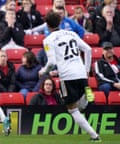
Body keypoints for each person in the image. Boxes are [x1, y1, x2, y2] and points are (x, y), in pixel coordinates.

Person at [39, 10, 101, 142]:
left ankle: (94, 136)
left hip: (67, 76)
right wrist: (86, 70)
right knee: (79, 105)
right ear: (60, 22)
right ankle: (85, 96)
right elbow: (88, 49)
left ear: (47, 25)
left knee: (72, 109)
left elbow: (52, 62)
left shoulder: (48, 40)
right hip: (81, 73)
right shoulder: (71, 33)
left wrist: (43, 71)